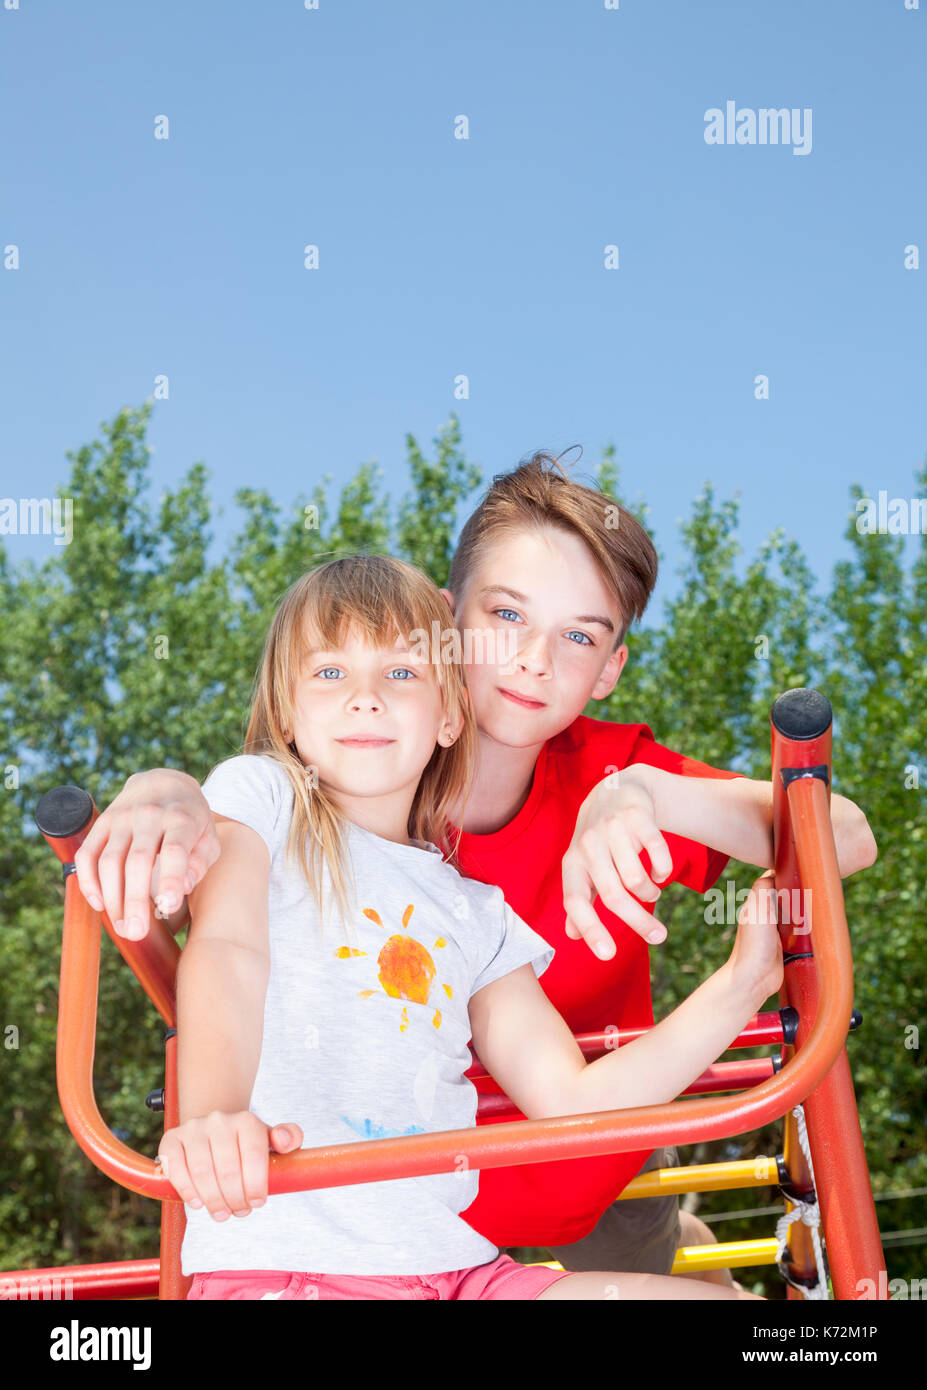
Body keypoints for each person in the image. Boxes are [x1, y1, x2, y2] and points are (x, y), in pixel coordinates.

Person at [74, 451, 877, 1285]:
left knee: (673, 1273)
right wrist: (159, 786)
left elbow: (842, 838)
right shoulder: (323, 789)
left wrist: (648, 792)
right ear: (445, 624)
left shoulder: (576, 809)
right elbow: (238, 880)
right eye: (506, 615)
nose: (533, 660)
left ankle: (689, 1248)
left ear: (609, 668)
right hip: (394, 1196)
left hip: (577, 1175)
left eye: (577, 636)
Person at [158, 551, 779, 1300]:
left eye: (400, 673)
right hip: (292, 1261)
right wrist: (216, 1115)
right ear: (287, 714)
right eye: (329, 673)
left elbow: (573, 1104)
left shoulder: (475, 913)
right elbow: (227, 946)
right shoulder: (262, 804)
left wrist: (742, 982)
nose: (364, 699)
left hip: (457, 1272)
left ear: (449, 713)